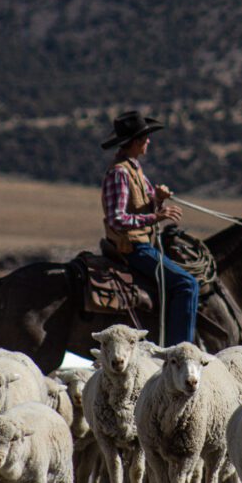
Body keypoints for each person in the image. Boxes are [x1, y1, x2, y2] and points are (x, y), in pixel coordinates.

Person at [100, 110, 200, 346]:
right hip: (134, 248)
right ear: (135, 142)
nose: (149, 141)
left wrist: (158, 199)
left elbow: (140, 206)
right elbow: (116, 218)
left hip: (143, 243)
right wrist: (156, 217)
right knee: (187, 285)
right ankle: (180, 350)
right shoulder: (119, 173)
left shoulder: (134, 169)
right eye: (145, 138)